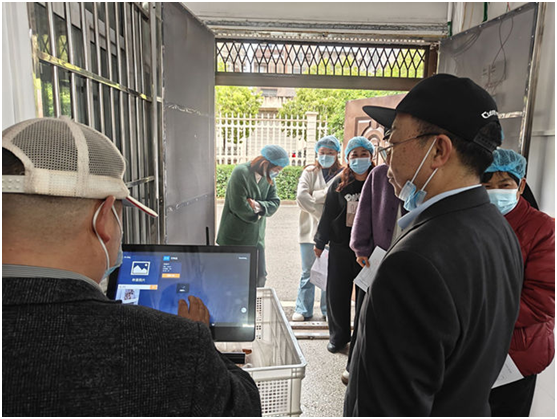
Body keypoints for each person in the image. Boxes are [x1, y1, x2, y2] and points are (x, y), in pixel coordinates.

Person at [2, 117, 261, 416]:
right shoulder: (175, 345)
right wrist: (201, 340)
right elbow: (244, 406)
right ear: (102, 221)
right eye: (119, 215)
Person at [344, 74, 523, 416]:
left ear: (438, 150)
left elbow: (391, 407)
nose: (386, 157)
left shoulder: (415, 262)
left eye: (393, 141)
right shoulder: (497, 227)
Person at [481, 149, 555, 417]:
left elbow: (542, 301)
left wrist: (478, 314)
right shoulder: (471, 222)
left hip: (516, 353)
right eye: (486, 186)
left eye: (504, 185)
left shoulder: (543, 229)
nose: (494, 193)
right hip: (473, 348)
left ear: (521, 185)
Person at [339, 162, 406, 385]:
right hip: (376, 256)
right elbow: (364, 210)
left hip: (408, 256)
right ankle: (353, 365)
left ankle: (386, 368)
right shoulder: (379, 174)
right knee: (364, 313)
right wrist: (360, 247)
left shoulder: (427, 174)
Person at [313, 136, 375, 354]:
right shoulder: (340, 183)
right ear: (348, 157)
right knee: (337, 293)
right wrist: (320, 241)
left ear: (371, 156)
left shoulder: (377, 182)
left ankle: (361, 338)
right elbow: (328, 214)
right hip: (340, 246)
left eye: (364, 154)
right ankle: (338, 337)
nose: (359, 158)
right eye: (354, 155)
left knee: (365, 295)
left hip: (368, 249)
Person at [216, 145, 288, 288]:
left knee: (259, 278)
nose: (277, 173)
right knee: (233, 280)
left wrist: (256, 205)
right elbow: (239, 206)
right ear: (266, 164)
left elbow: (275, 202)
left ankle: (253, 303)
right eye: (277, 169)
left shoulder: (268, 179)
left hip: (257, 238)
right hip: (235, 238)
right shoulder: (241, 172)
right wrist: (261, 212)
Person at [293, 135, 343, 322]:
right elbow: (301, 197)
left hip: (333, 232)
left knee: (329, 273)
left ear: (337, 154)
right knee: (308, 271)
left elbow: (340, 201)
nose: (326, 156)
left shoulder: (343, 174)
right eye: (322, 152)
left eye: (330, 152)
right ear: (317, 152)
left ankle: (327, 310)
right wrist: (324, 209)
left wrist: (315, 196)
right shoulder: (309, 172)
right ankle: (303, 309)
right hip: (308, 231)